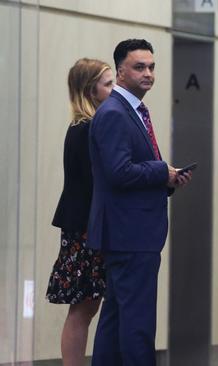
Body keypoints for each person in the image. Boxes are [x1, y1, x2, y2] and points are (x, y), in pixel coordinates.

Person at [87, 39, 191, 366]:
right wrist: (162, 170)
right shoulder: (116, 113)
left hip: (130, 232)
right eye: (139, 67)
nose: (148, 73)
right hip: (130, 233)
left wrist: (167, 179)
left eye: (151, 67)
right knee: (137, 323)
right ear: (120, 71)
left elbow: (129, 171)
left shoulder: (132, 111)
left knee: (116, 318)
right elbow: (118, 172)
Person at [47, 58, 114, 366]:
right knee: (83, 307)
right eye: (107, 84)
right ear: (91, 90)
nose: (113, 90)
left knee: (86, 306)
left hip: (83, 224)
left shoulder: (82, 126)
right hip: (85, 227)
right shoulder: (86, 129)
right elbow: (94, 182)